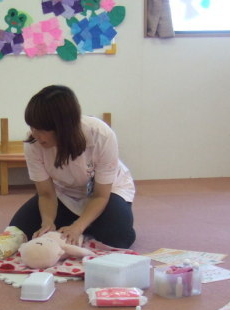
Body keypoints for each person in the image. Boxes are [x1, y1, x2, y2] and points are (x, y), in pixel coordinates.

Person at [9, 85, 136, 249]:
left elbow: (100, 196)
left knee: (119, 238)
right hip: (64, 193)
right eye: (32, 127)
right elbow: (46, 194)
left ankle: (83, 223)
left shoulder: (101, 135)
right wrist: (47, 222)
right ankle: (79, 222)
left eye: (41, 130)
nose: (35, 134)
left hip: (108, 192)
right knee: (18, 231)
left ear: (62, 127)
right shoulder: (33, 144)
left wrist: (78, 227)